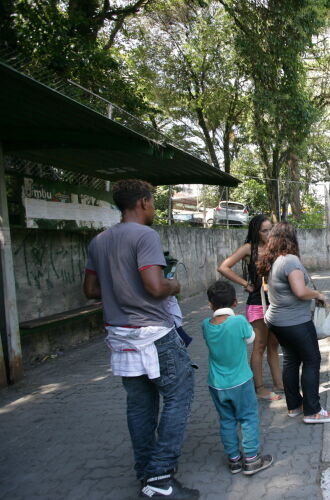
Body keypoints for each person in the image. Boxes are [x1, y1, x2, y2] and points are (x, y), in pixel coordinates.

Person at [82, 179, 198, 499]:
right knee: (179, 395)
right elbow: (155, 287)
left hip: (121, 338)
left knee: (140, 406)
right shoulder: (145, 235)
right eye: (153, 202)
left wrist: (119, 290)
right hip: (154, 334)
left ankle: (146, 475)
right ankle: (160, 476)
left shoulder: (99, 241)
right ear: (143, 202)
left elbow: (91, 291)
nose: (154, 207)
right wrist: (173, 285)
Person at [258, 222, 330, 424]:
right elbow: (300, 291)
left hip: (277, 321)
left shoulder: (276, 261)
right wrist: (318, 294)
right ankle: (312, 411)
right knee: (312, 360)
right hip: (295, 322)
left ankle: (294, 406)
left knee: (291, 361)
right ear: (291, 239)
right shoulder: (290, 260)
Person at [202, 281, 273, 476]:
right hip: (240, 381)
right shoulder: (239, 321)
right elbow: (251, 339)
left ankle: (234, 460)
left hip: (216, 384)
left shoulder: (205, 325)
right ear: (235, 302)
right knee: (249, 418)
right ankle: (251, 459)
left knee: (226, 420)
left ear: (210, 304)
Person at [218, 215, 284, 402]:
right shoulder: (249, 248)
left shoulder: (275, 248)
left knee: (274, 345)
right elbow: (223, 267)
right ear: (256, 232)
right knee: (260, 346)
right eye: (264, 230)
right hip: (257, 302)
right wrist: (245, 283)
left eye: (271, 229)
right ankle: (260, 388)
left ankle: (279, 384)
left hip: (275, 303)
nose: (269, 233)